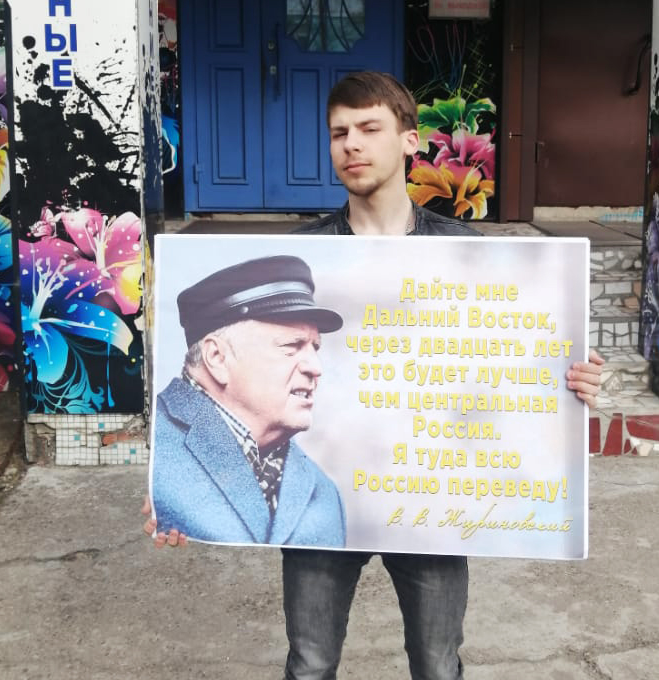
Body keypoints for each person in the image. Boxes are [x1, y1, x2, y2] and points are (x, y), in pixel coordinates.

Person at [144, 71, 605, 679]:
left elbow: (508, 361)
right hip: (331, 503)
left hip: (431, 499)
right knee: (310, 664)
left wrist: (572, 382)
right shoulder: (308, 254)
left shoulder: (466, 250)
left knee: (437, 665)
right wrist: (172, 492)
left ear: (410, 141)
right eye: (339, 133)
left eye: (368, 128)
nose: (352, 145)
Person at [149, 255, 347, 547]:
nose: (315, 368)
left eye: (314, 347)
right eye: (292, 346)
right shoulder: (153, 451)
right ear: (217, 358)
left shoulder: (324, 492)